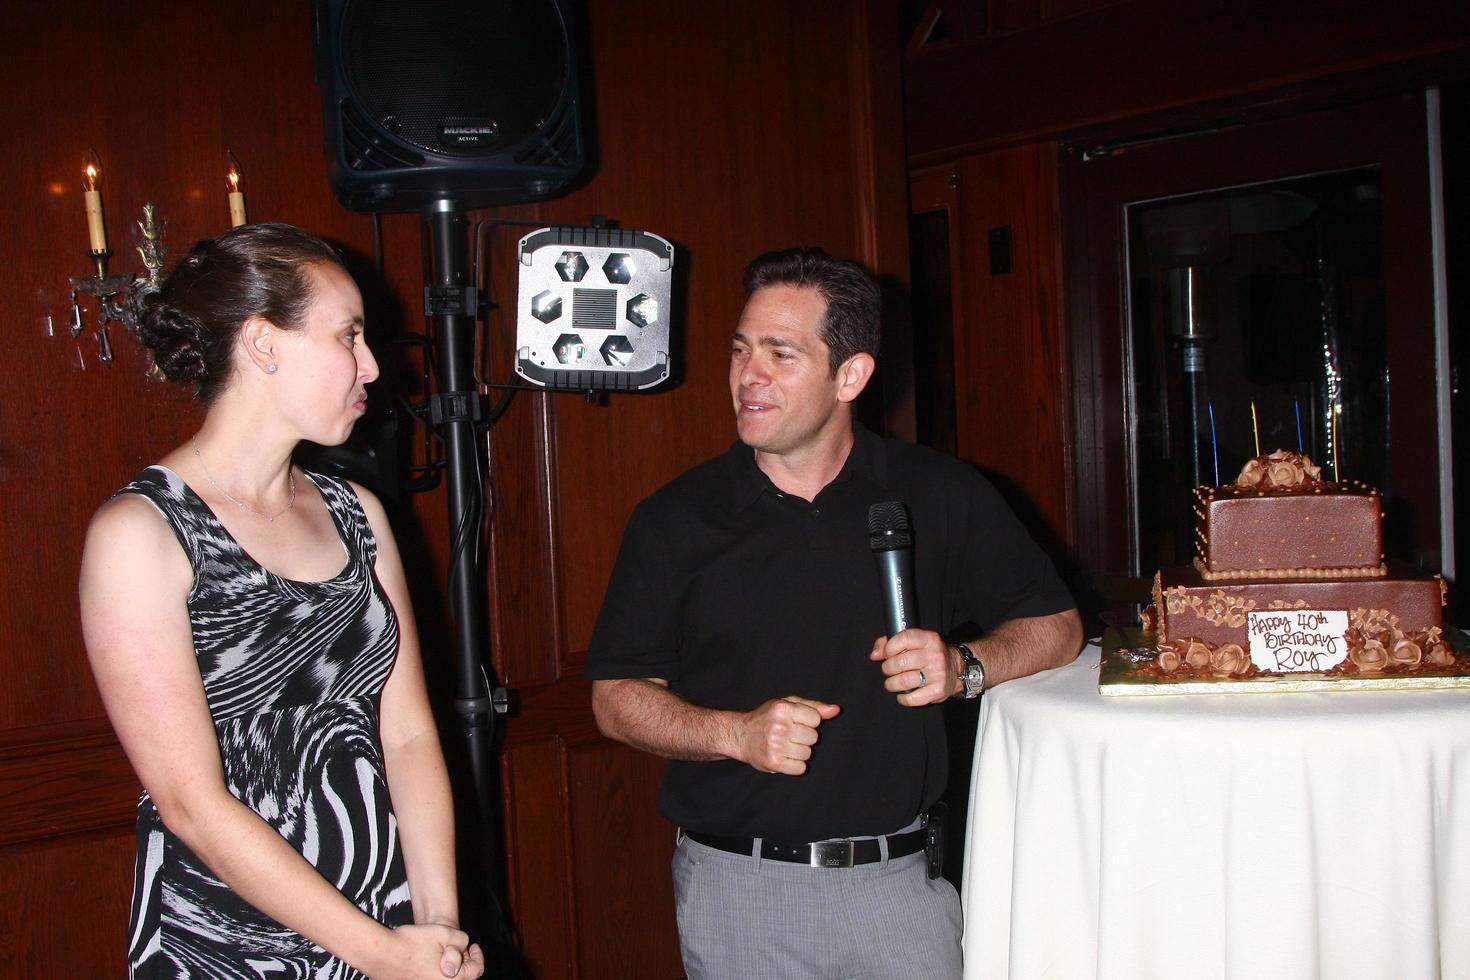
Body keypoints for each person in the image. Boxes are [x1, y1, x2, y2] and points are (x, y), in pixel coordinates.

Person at [585, 247, 1082, 977]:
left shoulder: (939, 492)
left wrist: (965, 667)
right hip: (739, 891)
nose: (749, 375)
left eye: (780, 354)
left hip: (898, 889)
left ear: (850, 375)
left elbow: (1058, 628)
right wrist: (737, 734)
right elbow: (614, 699)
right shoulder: (675, 520)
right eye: (741, 349)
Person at [78, 223, 485, 979]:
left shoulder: (359, 512)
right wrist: (376, 953)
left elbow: (409, 736)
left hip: (389, 919)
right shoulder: (141, 533)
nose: (372, 364)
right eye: (349, 336)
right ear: (264, 344)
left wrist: (437, 927)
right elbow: (191, 803)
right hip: (229, 940)